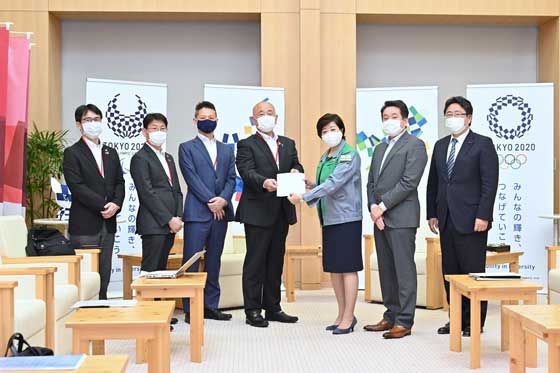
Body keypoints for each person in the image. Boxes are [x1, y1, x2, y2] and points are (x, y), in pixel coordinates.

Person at [427, 96, 499, 337]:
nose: (453, 118)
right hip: (446, 218)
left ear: (469, 118)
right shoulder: (439, 145)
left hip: (472, 220)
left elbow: (490, 184)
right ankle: (455, 319)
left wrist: (484, 215)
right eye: (449, 113)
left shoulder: (482, 144)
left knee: (473, 273)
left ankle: (475, 322)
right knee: (451, 273)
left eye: (458, 114)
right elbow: (433, 183)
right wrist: (432, 213)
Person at [288, 113, 362, 335]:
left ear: (342, 130)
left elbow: (334, 183)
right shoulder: (326, 156)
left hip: (347, 218)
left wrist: (303, 197)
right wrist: (307, 183)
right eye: (324, 131)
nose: (329, 134)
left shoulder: (349, 155)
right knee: (335, 269)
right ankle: (341, 314)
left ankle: (349, 317)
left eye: (332, 129)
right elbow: (322, 184)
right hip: (329, 218)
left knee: (347, 268)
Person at [236, 101, 304, 328]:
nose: (266, 117)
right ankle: (253, 310)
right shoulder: (246, 144)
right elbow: (246, 171)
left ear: (276, 117)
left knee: (275, 261)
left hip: (281, 211)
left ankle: (273, 307)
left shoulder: (287, 143)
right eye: (261, 114)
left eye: (270, 113)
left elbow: (297, 165)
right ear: (253, 119)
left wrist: (297, 171)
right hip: (257, 210)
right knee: (255, 261)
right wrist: (264, 182)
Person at [363, 100, 428, 339]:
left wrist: (382, 206)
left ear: (404, 120)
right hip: (379, 217)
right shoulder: (379, 148)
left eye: (393, 116)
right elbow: (372, 182)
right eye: (385, 117)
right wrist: (373, 206)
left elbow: (409, 182)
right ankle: (390, 315)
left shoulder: (416, 145)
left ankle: (404, 320)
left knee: (403, 270)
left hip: (401, 217)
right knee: (386, 270)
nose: (389, 121)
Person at [178, 101, 236, 323]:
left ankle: (211, 306)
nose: (208, 120)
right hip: (197, 213)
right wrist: (212, 201)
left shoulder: (226, 149)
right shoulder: (186, 147)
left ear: (217, 120)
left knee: (214, 261)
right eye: (203, 117)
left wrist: (223, 200)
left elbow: (232, 178)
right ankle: (191, 309)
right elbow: (190, 177)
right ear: (195, 120)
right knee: (191, 261)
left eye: (212, 117)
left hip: (220, 214)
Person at [63, 104, 125, 300]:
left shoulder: (110, 152)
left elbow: (119, 182)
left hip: (109, 222)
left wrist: (116, 204)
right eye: (88, 120)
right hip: (85, 224)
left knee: (104, 271)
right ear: (79, 125)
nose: (93, 124)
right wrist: (103, 205)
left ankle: (103, 308)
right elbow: (77, 186)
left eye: (97, 119)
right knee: (85, 275)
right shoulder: (72, 153)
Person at [130, 113, 183, 275]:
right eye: (154, 128)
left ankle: (159, 301)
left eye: (162, 128)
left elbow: (177, 190)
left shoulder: (168, 157)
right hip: (154, 225)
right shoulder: (140, 158)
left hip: (171, 226)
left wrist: (178, 217)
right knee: (150, 272)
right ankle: (148, 301)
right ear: (144, 131)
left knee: (162, 273)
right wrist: (168, 219)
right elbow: (147, 193)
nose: (159, 132)